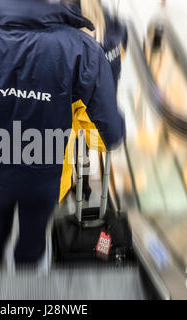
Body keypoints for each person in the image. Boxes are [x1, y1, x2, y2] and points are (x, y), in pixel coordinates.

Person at [0, 0, 125, 266]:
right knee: (34, 227)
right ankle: (27, 268)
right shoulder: (83, 51)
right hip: (47, 173)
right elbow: (108, 135)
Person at [66, 0, 128, 200]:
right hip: (105, 111)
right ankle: (84, 176)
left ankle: (71, 180)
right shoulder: (116, 24)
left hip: (80, 112)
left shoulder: (71, 28)